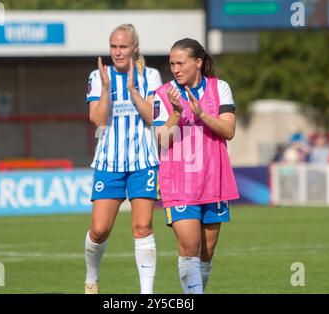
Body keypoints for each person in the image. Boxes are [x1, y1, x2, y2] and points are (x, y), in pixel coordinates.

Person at [153, 38, 239, 294]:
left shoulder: (220, 88)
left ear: (198, 62)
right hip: (179, 183)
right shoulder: (163, 94)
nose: (175, 69)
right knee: (189, 247)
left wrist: (201, 114)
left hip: (215, 180)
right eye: (172, 64)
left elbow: (229, 130)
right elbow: (161, 141)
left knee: (207, 251)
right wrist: (177, 114)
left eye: (180, 63)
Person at [84, 24, 162, 294]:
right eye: (113, 47)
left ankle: (147, 294)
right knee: (99, 230)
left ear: (135, 48)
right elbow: (98, 119)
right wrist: (106, 89)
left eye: (123, 47)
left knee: (143, 227)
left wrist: (132, 89)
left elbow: (153, 116)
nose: (117, 52)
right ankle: (92, 277)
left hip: (143, 161)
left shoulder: (151, 75)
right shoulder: (97, 76)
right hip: (109, 163)